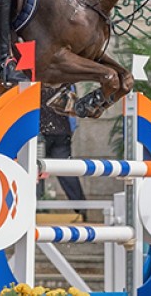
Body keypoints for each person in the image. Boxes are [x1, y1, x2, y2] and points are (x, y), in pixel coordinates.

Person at [39, 85, 87, 220]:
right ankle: (80, 209)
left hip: (40, 131)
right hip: (62, 131)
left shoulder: (38, 78)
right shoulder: (68, 81)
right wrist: (69, 131)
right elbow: (74, 111)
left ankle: (28, 207)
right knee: (66, 171)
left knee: (33, 168)